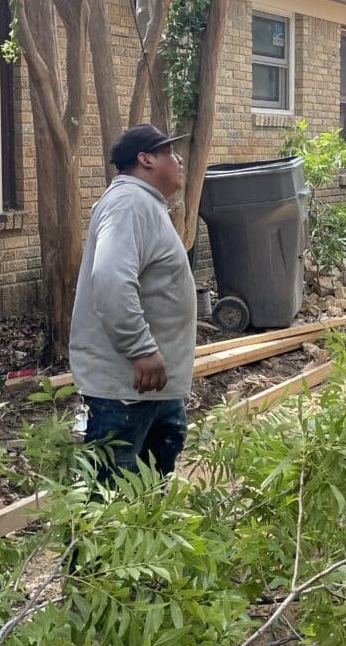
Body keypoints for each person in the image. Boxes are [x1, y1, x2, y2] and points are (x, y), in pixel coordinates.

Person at [69, 123, 196, 481]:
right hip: (127, 390)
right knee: (113, 504)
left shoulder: (144, 204)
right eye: (170, 152)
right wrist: (140, 349)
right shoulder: (128, 203)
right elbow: (110, 277)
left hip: (150, 390)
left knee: (144, 507)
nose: (180, 159)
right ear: (145, 160)